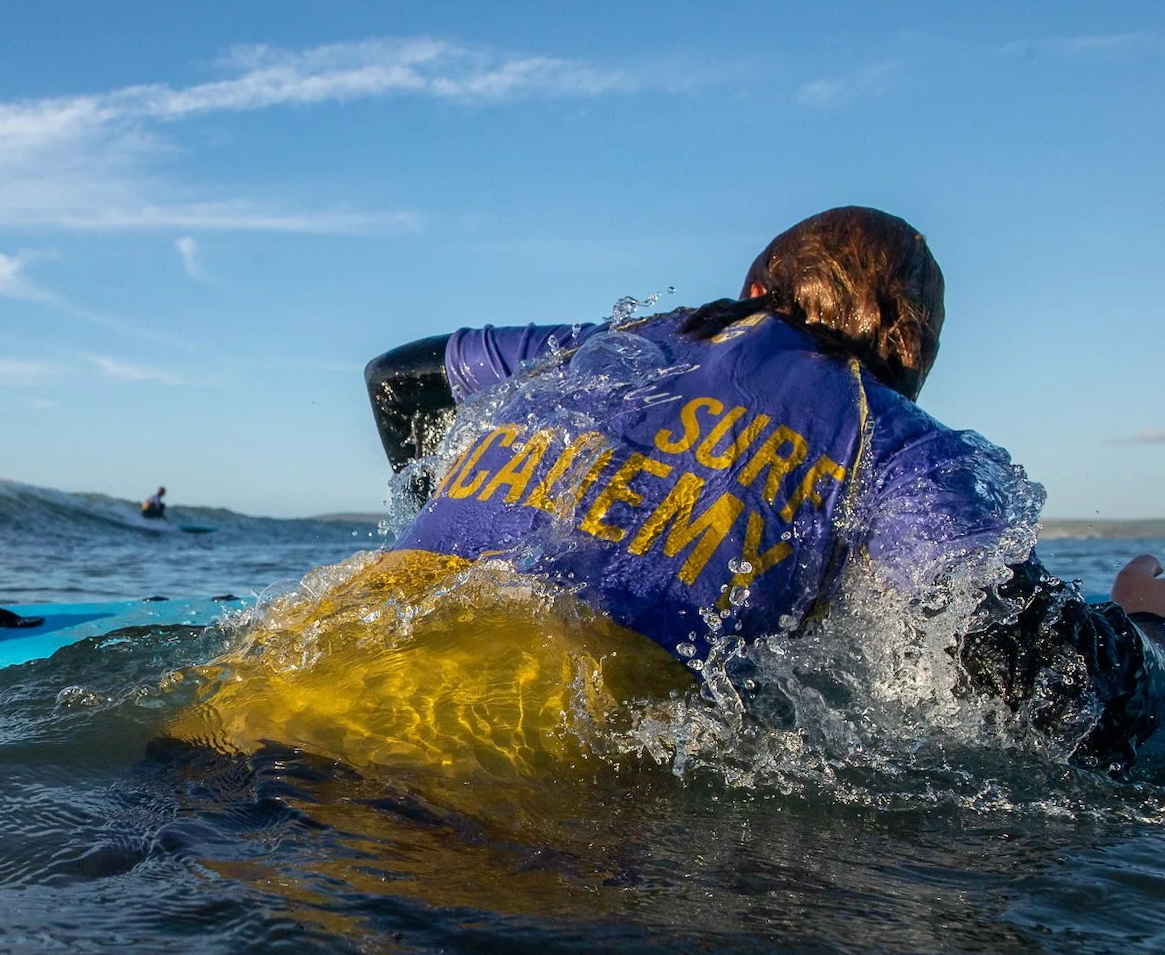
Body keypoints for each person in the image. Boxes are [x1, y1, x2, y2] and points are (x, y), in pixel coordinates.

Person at [364, 206, 1164, 773]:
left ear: (754, 293)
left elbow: (397, 378)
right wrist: (1141, 623)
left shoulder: (609, 346)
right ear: (914, 353)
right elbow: (1041, 677)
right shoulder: (893, 437)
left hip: (321, 651)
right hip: (509, 762)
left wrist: (436, 499)